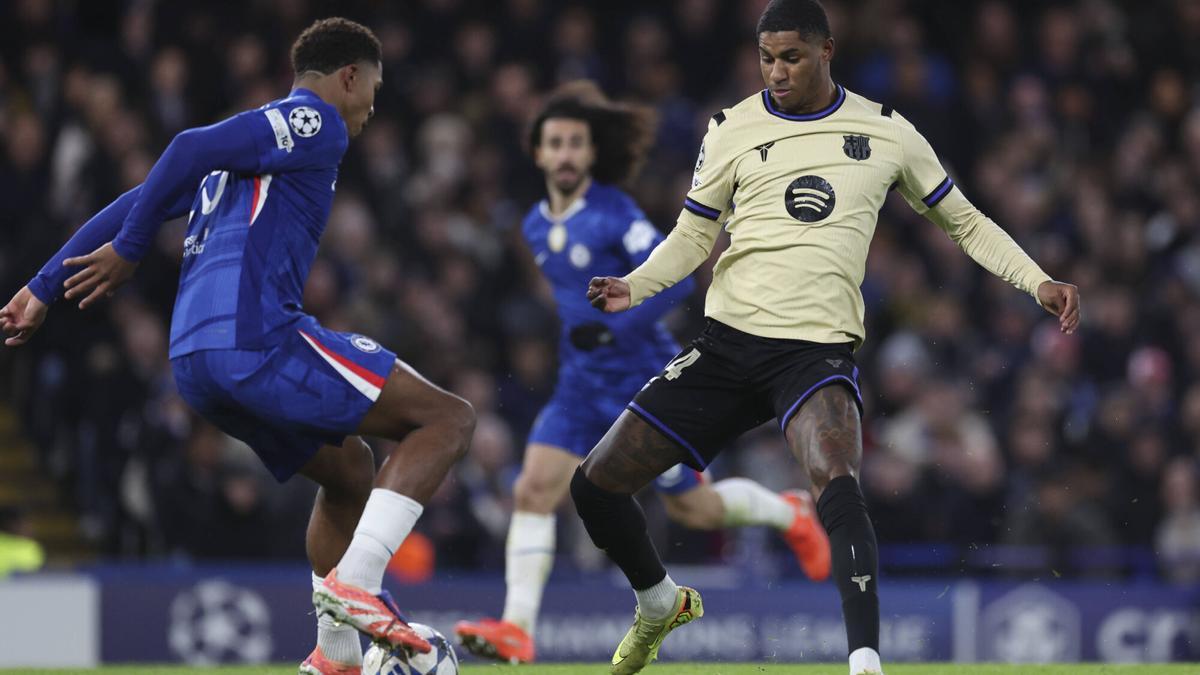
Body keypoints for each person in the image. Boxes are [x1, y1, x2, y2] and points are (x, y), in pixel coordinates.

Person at [575, 1, 1082, 674]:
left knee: (838, 480)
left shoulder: (885, 132)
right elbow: (695, 234)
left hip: (813, 354)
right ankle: (659, 602)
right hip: (726, 346)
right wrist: (634, 285)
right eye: (766, 58)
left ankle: (864, 660)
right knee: (594, 485)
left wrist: (1037, 280)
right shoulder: (730, 127)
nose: (776, 72)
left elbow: (964, 221)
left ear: (825, 51)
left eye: (790, 57)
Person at [0, 18, 476, 675]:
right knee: (448, 418)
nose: (372, 104)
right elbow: (186, 145)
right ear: (348, 77)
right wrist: (132, 251)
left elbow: (144, 193)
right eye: (373, 87)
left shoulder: (246, 156)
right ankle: (359, 585)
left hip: (195, 363)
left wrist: (41, 286)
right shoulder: (315, 122)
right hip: (255, 339)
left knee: (348, 469)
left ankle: (333, 657)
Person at [454, 82, 831, 664]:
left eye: (575, 143)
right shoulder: (533, 224)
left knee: (691, 508)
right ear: (537, 153)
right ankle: (517, 628)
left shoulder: (615, 213)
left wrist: (612, 328)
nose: (565, 154)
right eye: (554, 143)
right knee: (532, 490)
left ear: (591, 154)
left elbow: (678, 280)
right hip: (581, 386)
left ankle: (788, 512)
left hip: (642, 378)